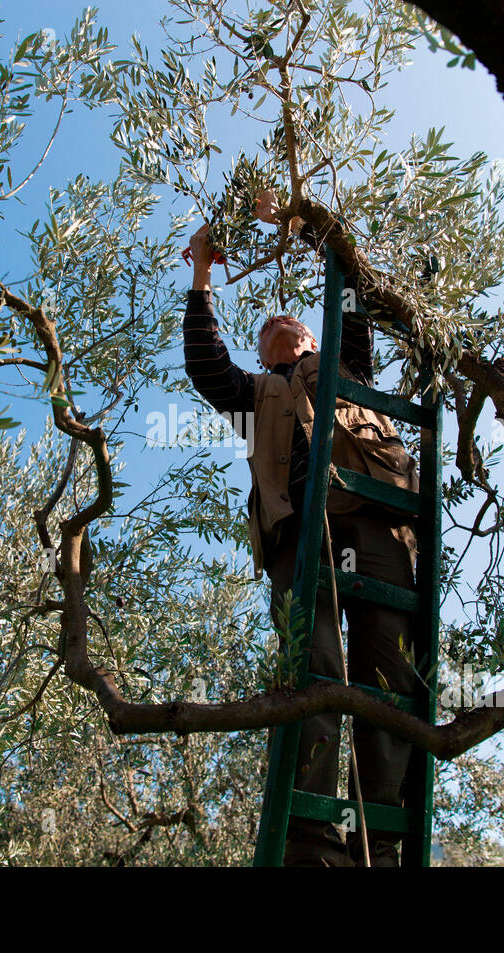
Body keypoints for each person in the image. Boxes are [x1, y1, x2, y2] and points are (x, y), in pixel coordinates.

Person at [182, 192, 422, 866]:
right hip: (298, 540)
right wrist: (202, 268)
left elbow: (353, 295)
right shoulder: (251, 396)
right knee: (311, 672)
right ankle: (314, 842)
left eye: (292, 321)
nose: (279, 324)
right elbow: (204, 362)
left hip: (378, 527)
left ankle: (380, 838)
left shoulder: (349, 369)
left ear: (314, 339)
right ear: (262, 354)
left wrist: (309, 224)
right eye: (266, 328)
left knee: (389, 678)